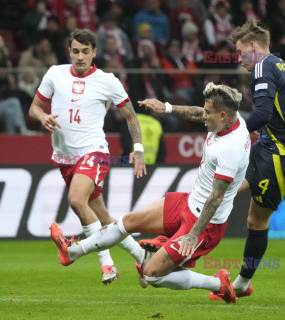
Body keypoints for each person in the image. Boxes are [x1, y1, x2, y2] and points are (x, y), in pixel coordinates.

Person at [51, 82, 250, 303]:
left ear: (222, 116)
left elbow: (216, 198)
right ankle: (72, 253)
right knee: (128, 221)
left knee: (151, 275)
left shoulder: (231, 148)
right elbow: (197, 113)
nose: (204, 117)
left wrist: (192, 235)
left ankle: (217, 284)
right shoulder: (229, 119)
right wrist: (166, 107)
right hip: (188, 202)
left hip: (205, 224)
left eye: (208, 113)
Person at [29, 29, 147, 285]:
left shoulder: (107, 81)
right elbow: (34, 108)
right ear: (69, 51)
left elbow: (130, 115)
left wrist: (138, 150)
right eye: (75, 51)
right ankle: (143, 257)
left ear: (94, 52)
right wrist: (43, 117)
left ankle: (106, 265)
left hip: (94, 152)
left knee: (75, 199)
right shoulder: (54, 74)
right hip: (65, 158)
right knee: (104, 219)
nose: (80, 57)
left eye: (85, 51)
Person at [209, 20, 285, 300]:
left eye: (241, 52)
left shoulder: (262, 66)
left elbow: (265, 111)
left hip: (278, 155)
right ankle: (182, 245)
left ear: (254, 47)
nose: (240, 59)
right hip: (271, 148)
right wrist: (282, 122)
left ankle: (241, 284)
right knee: (220, 192)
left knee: (255, 221)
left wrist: (236, 130)